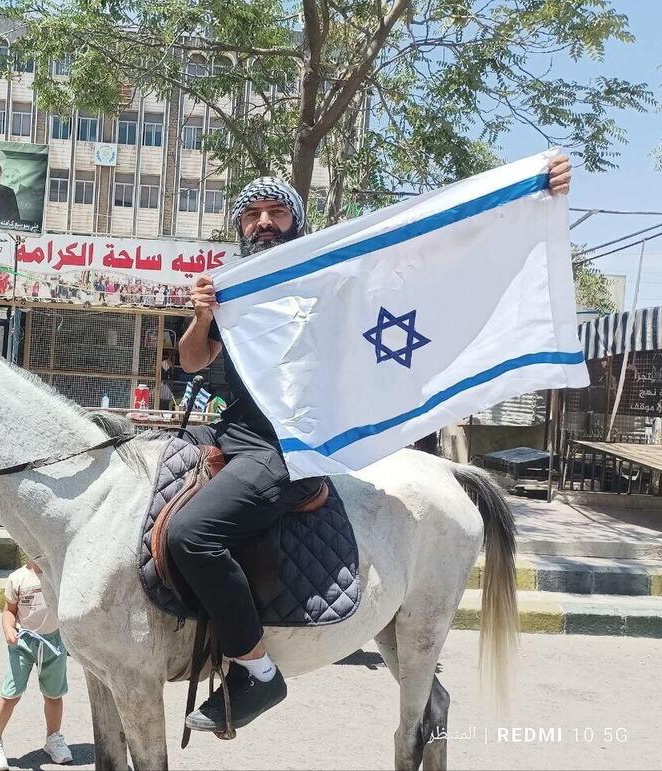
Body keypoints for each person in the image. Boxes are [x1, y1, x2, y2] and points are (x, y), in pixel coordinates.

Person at [173, 157, 574, 733]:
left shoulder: (332, 281)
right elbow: (192, 361)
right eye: (251, 214)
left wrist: (532, 191)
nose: (263, 222)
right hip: (229, 433)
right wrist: (201, 315)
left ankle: (256, 673)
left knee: (192, 535)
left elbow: (427, 255)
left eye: (276, 212)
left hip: (288, 448)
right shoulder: (234, 288)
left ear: (296, 222)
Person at [0, 560, 72, 771]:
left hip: (54, 643)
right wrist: (8, 629)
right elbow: (9, 610)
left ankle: (53, 738)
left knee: (54, 695)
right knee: (11, 694)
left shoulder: (59, 574)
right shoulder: (18, 578)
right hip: (23, 643)